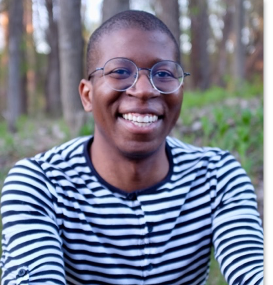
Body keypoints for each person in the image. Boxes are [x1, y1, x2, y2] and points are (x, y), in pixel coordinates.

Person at [1, 10, 264, 285]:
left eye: (163, 73)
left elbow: (252, 270)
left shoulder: (216, 177)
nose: (143, 90)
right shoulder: (41, 183)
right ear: (87, 95)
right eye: (120, 72)